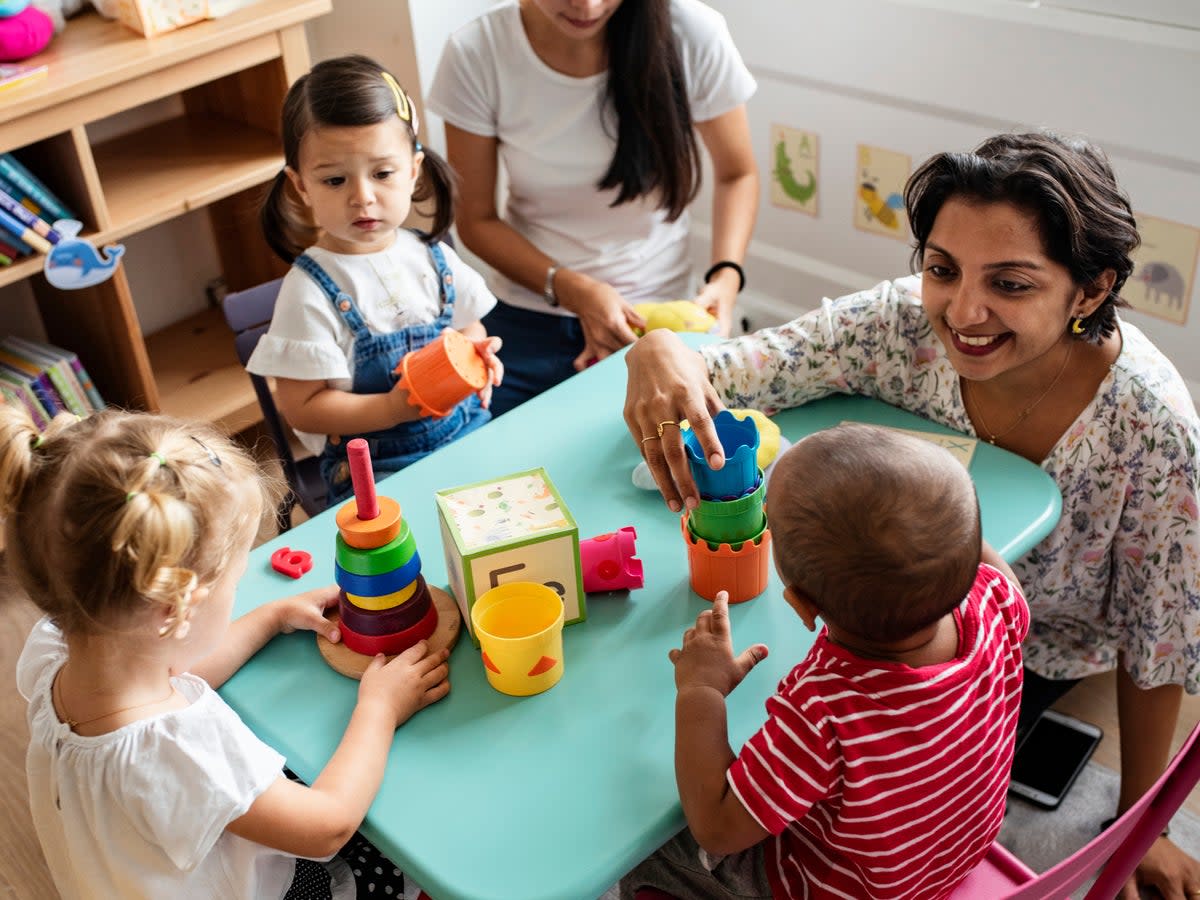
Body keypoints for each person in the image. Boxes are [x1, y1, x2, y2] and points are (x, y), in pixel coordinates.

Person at [623, 131, 1200, 898]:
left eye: (1013, 285)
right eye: (942, 269)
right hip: (952, 627)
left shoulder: (1154, 428)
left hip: (1033, 655)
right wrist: (659, 349)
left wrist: (1145, 823)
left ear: (1089, 291)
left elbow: (1158, 643)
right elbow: (733, 370)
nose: (963, 311)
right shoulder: (896, 326)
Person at [2, 405, 452, 899]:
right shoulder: (179, 752)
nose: (239, 592)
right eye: (235, 582)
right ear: (175, 610)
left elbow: (173, 672)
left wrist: (271, 617)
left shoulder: (59, 652)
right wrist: (379, 709)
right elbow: (327, 825)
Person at [621, 424, 1029, 899]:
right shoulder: (994, 600)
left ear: (801, 605)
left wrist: (701, 691)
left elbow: (716, 826)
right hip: (941, 864)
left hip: (845, 889)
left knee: (654, 846)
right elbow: (989, 569)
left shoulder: (824, 710)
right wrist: (943, 531)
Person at [427, 0, 759, 415]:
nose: (587, 5)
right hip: (531, 314)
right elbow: (475, 219)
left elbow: (737, 174)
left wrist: (726, 278)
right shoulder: (477, 52)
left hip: (657, 318)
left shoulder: (694, 33)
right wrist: (575, 290)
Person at [251, 54, 503, 503]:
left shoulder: (432, 257)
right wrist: (390, 409)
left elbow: (468, 326)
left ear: (413, 171)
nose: (362, 198)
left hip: (468, 432)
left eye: (382, 174)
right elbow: (301, 408)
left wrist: (476, 357)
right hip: (378, 470)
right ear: (300, 186)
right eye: (334, 181)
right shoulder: (309, 291)